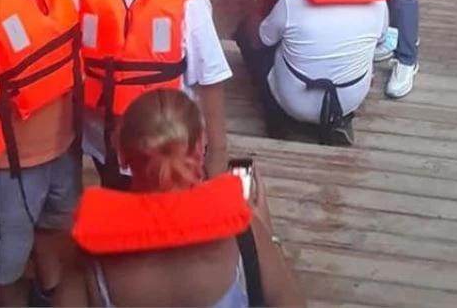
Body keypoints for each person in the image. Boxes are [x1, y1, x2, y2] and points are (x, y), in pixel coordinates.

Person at [58, 89, 305, 307]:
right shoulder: (245, 232)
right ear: (199, 150)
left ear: (122, 154)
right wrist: (267, 233)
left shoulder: (90, 248)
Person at [77, 0, 231, 189]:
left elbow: (211, 80)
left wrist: (218, 153)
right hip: (106, 145)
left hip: (169, 148)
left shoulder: (188, 0)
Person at [0, 0, 82, 308]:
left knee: (57, 226)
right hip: (8, 167)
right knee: (7, 257)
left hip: (64, 147)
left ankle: (49, 291)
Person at [234, 0, 391, 147]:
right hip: (348, 100)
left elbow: (260, 41)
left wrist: (253, 16)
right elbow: (381, 39)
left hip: (294, 100)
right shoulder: (378, 5)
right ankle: (340, 121)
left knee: (247, 36)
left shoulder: (293, 2)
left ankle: (277, 120)